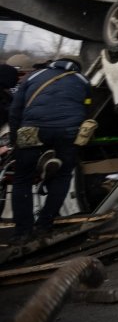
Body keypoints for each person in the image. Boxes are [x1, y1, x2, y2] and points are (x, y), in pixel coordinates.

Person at [8, 56, 90, 242]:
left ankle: (22, 232)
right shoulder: (83, 81)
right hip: (67, 133)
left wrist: (15, 141)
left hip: (32, 129)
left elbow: (15, 110)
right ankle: (44, 226)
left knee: (22, 178)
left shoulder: (35, 76)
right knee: (62, 176)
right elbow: (87, 109)